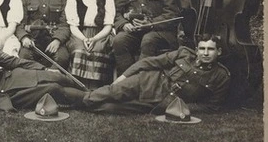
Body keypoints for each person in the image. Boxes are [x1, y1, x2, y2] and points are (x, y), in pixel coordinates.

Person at [53, 35, 230, 114]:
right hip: (147, 82)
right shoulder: (183, 53)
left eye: (210, 49)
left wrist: (182, 108)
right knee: (108, 93)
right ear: (197, 49)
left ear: (219, 52)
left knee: (109, 108)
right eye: (202, 49)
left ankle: (73, 103)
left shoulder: (221, 76)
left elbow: (212, 107)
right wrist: (124, 77)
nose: (206, 53)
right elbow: (148, 62)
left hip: (159, 104)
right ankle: (62, 95)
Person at [64, 0, 115, 88]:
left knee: (97, 49)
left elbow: (108, 25)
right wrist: (84, 39)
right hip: (80, 34)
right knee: (79, 50)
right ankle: (78, 88)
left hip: (101, 34)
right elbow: (73, 26)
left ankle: (96, 88)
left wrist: (94, 39)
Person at [16, 0, 70, 69]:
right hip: (33, 41)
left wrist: (57, 40)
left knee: (62, 58)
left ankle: (52, 82)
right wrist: (24, 38)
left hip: (53, 38)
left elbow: (65, 24)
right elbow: (20, 23)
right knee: (24, 56)